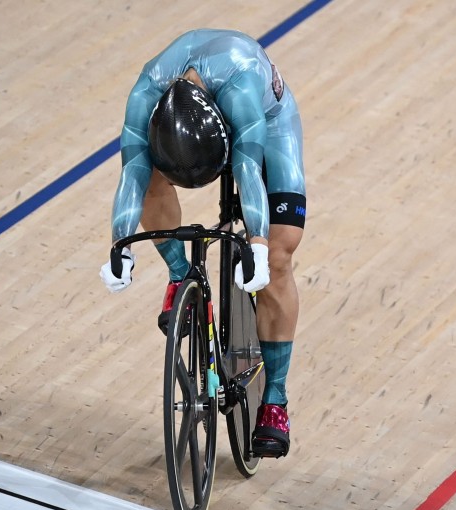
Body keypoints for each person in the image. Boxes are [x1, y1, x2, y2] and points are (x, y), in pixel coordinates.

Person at [100, 29, 306, 457]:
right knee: (149, 178)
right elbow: (131, 175)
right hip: (198, 112)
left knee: (281, 252)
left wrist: (259, 248)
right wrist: (120, 246)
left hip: (267, 123)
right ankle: (180, 274)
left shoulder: (242, 86)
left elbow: (248, 170)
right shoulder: (146, 94)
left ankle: (276, 400)